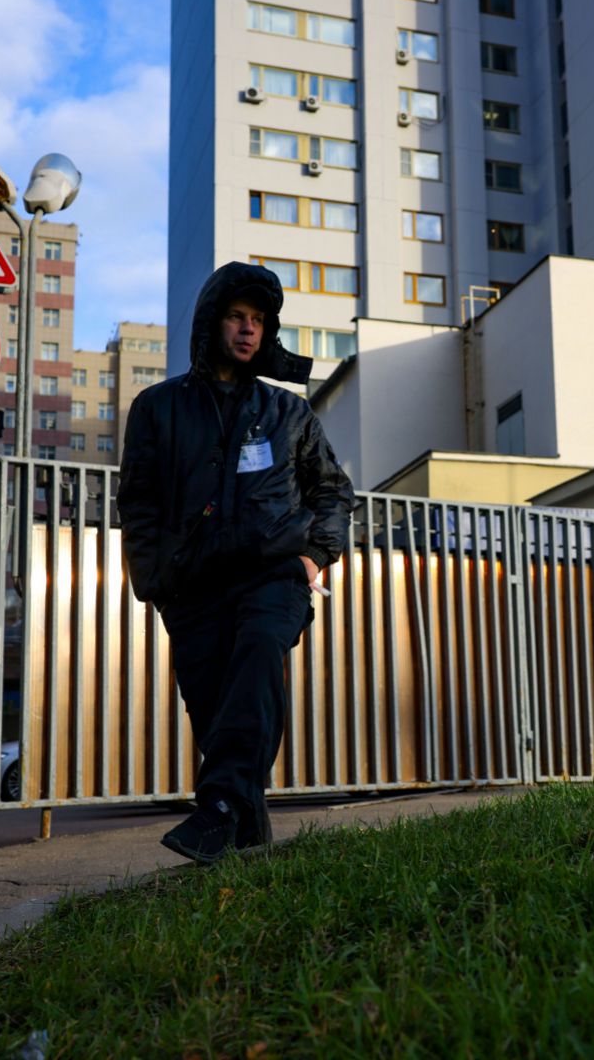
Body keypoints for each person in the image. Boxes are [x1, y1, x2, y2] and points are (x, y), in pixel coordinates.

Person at [118, 262, 355, 863]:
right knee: (219, 712)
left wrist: (312, 558)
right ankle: (247, 840)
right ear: (212, 322)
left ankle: (218, 806)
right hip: (193, 586)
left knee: (257, 657)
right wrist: (154, 581)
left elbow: (333, 491)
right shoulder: (158, 408)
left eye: (259, 321)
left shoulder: (287, 413)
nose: (248, 330)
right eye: (237, 317)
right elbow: (138, 500)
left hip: (274, 574)